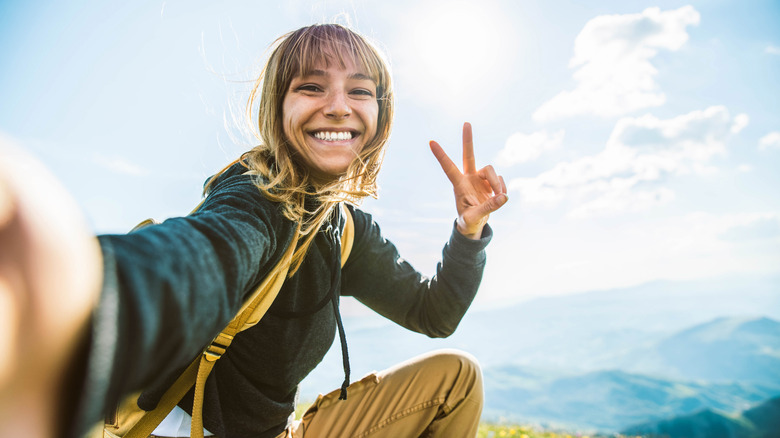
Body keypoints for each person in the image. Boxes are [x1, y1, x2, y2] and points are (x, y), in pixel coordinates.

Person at [0, 23, 508, 438]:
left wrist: (469, 230)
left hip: (277, 430)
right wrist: (73, 304)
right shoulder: (256, 196)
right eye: (311, 86)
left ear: (379, 112)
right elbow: (203, 257)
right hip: (189, 429)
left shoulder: (345, 227)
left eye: (359, 91)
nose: (338, 105)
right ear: (277, 105)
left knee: (455, 379)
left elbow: (432, 313)